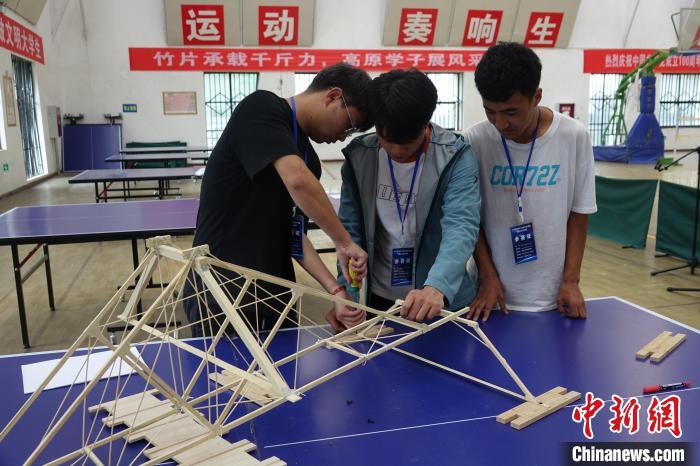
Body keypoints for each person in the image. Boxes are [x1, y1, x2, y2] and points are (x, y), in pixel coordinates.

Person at [185, 63, 373, 335]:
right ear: (333, 96)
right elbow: (296, 179)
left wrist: (336, 291)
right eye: (349, 125)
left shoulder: (309, 160)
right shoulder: (261, 108)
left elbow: (295, 236)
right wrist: (344, 242)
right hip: (221, 288)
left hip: (276, 295)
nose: (342, 137)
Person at [326, 69, 481, 332]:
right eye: (388, 142)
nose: (397, 151)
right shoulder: (360, 156)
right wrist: (347, 293)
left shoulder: (455, 156)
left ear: (425, 123)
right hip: (379, 300)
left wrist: (437, 287)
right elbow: (350, 231)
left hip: (439, 302)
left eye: (407, 143)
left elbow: (461, 226)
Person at [465, 42, 597, 322]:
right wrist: (487, 276)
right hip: (490, 295)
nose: (500, 123)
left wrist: (571, 280)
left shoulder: (573, 136)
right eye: (490, 111)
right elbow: (469, 217)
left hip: (552, 295)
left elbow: (579, 212)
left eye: (511, 112)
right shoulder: (475, 141)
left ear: (536, 96)